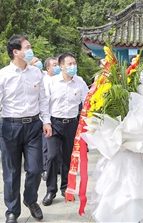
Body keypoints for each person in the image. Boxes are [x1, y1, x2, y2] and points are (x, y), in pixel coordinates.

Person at [0, 35, 52, 223]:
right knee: (11, 172)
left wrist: (46, 121)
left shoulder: (37, 74)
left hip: (33, 126)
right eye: (27, 47)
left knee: (35, 169)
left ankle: (30, 199)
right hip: (10, 127)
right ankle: (12, 211)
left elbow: (43, 100)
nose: (31, 50)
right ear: (16, 52)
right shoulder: (2, 75)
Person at [42, 52, 89, 206]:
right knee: (52, 156)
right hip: (54, 123)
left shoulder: (80, 82)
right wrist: (46, 122)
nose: (73, 66)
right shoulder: (52, 82)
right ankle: (51, 190)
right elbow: (44, 104)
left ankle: (66, 187)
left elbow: (87, 102)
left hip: (71, 124)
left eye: (74, 63)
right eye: (70, 64)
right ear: (61, 66)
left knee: (68, 157)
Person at [40, 56, 61, 181]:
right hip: (46, 118)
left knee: (57, 148)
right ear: (48, 68)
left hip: (59, 118)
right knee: (46, 146)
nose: (57, 67)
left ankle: (57, 168)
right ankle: (45, 169)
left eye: (58, 64)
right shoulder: (44, 80)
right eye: (54, 65)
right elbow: (44, 102)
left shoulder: (61, 80)